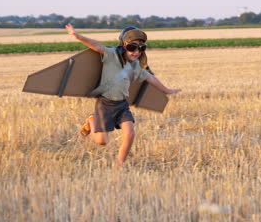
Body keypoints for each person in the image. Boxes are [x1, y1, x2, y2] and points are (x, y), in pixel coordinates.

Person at [65, 24, 181, 167]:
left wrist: (167, 90)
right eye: (132, 47)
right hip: (105, 104)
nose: (136, 51)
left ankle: (118, 165)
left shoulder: (136, 66)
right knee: (102, 141)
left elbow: (150, 78)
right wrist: (78, 36)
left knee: (130, 134)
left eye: (141, 48)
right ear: (123, 45)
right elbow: (96, 46)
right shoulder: (111, 55)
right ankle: (91, 120)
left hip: (121, 105)